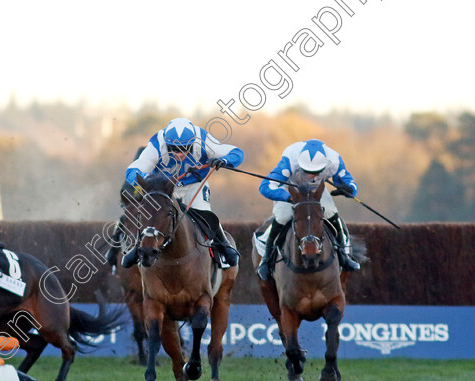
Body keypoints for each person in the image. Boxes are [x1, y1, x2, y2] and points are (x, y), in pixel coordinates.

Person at [123, 117, 244, 268]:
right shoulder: (157, 142)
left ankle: (223, 245)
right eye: (173, 148)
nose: (179, 153)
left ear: (193, 142)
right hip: (166, 189)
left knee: (204, 212)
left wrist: (224, 161)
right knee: (152, 216)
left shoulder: (203, 139)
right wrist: (149, 182)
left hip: (194, 185)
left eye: (185, 148)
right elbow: (133, 171)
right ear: (166, 143)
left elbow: (237, 153)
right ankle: (137, 248)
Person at [256, 139, 361, 281]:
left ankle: (344, 256)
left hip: (316, 189)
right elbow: (265, 186)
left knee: (330, 212)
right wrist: (288, 198)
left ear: (324, 165)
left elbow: (351, 184)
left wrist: (349, 189)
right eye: (307, 171)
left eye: (316, 172)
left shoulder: (334, 160)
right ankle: (266, 260)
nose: (311, 176)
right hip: (290, 187)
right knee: (283, 215)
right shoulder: (290, 160)